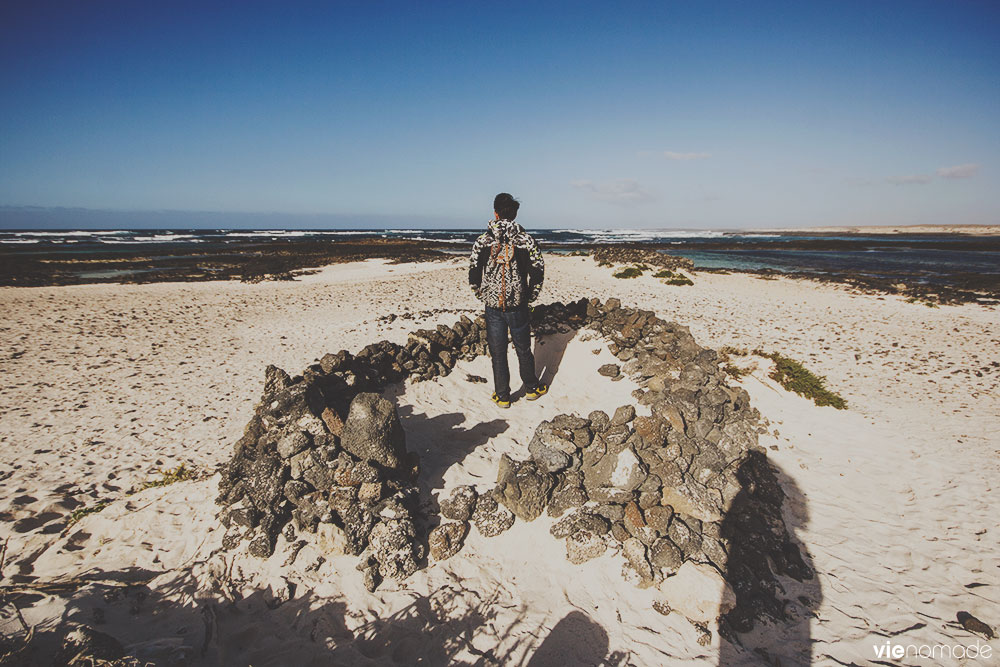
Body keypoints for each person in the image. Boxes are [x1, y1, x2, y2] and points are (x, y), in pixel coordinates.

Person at [468, 193, 547, 408]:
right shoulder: (526, 240)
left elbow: (473, 272)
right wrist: (530, 295)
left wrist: (481, 294)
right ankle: (531, 388)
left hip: (493, 306)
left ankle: (502, 396)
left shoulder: (482, 241)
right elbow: (538, 270)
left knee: (498, 352)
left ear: (494, 212)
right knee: (523, 348)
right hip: (518, 305)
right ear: (515, 214)